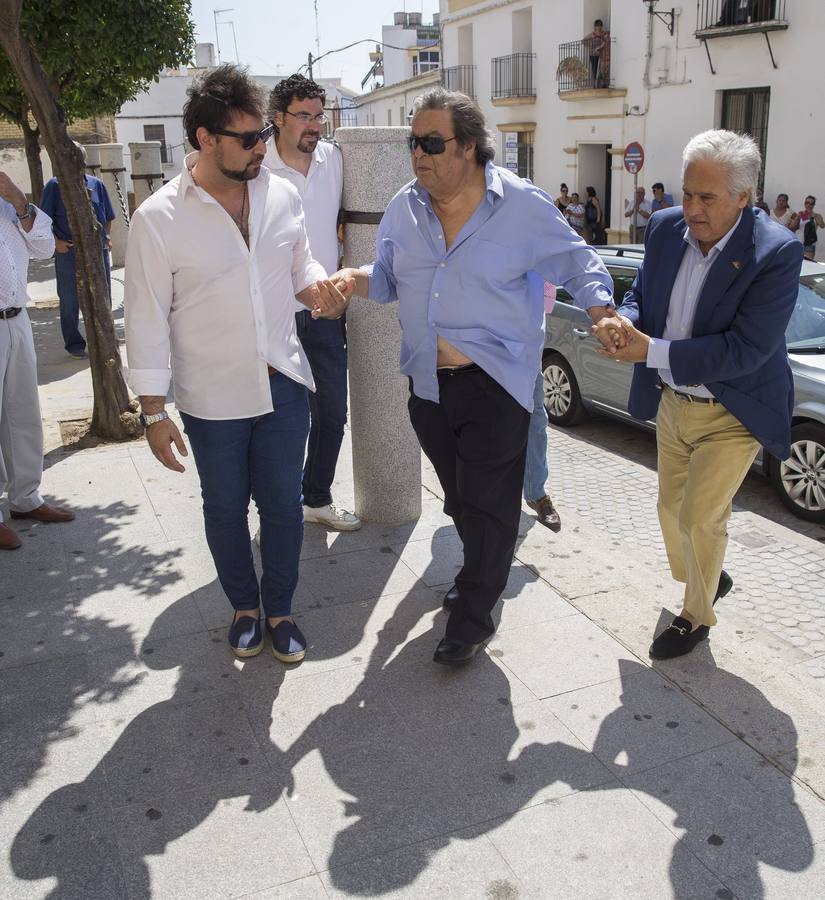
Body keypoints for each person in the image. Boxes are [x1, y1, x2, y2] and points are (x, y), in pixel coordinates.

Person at [332, 87, 615, 667]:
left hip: (495, 381)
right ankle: (479, 569)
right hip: (427, 385)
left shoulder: (522, 206)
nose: (419, 154)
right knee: (462, 500)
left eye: (431, 143)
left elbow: (578, 260)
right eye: (414, 142)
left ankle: (473, 617)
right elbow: (385, 278)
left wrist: (602, 308)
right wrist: (349, 279)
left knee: (488, 503)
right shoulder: (403, 207)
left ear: (468, 147)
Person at [124, 65, 348, 663]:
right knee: (224, 509)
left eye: (259, 137)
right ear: (205, 138)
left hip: (284, 386)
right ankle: (244, 609)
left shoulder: (281, 194)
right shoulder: (158, 219)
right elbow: (145, 317)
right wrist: (152, 411)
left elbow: (299, 267)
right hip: (210, 397)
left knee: (281, 507)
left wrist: (319, 289)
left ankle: (280, 611)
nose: (259, 149)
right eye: (247, 139)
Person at [593, 129, 803, 660]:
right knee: (670, 511)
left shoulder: (776, 252)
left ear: (743, 197)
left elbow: (746, 349)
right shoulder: (664, 229)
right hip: (673, 403)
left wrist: (651, 350)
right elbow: (642, 295)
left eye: (706, 198)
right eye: (687, 193)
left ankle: (695, 616)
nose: (691, 208)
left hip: (733, 408)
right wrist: (626, 322)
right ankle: (708, 576)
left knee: (700, 519)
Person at [265, 74, 360, 532]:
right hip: (273, 316)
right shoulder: (255, 166)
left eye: (320, 115)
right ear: (278, 118)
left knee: (331, 414)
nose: (314, 125)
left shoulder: (335, 160)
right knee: (277, 423)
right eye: (304, 116)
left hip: (325, 312)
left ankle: (316, 499)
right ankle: (274, 513)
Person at [0, 171, 74, 551]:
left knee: (23, 412)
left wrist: (19, 202)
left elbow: (44, 248)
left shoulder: (10, 205)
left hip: (17, 319)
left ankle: (25, 498)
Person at [39, 145, 115, 360]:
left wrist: (107, 238)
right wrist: (57, 243)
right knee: (70, 299)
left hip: (97, 251)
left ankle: (104, 340)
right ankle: (74, 344)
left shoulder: (96, 184)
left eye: (79, 157)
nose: (77, 161)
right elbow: (43, 221)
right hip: (69, 251)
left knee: (103, 295)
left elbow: (108, 215)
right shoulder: (54, 186)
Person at [523, 280, 561, 531]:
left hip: (529, 361)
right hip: (487, 362)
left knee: (536, 425)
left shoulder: (537, 250)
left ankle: (537, 495)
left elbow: (548, 298)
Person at [793, 195, 824, 260]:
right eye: (806, 203)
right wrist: (797, 218)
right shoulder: (801, 214)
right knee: (796, 261)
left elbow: (822, 226)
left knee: (807, 263)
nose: (808, 205)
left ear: (814, 205)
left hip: (810, 243)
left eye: (811, 203)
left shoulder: (817, 215)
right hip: (798, 241)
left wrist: (814, 216)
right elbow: (792, 227)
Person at [585, 19, 610, 88]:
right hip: (593, 55)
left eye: (599, 26)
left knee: (602, 69)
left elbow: (606, 41)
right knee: (595, 70)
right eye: (597, 26)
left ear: (601, 27)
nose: (598, 28)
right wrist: (590, 45)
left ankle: (602, 84)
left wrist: (599, 47)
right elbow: (584, 41)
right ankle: (595, 85)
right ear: (595, 27)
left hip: (602, 55)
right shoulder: (592, 34)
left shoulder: (604, 34)